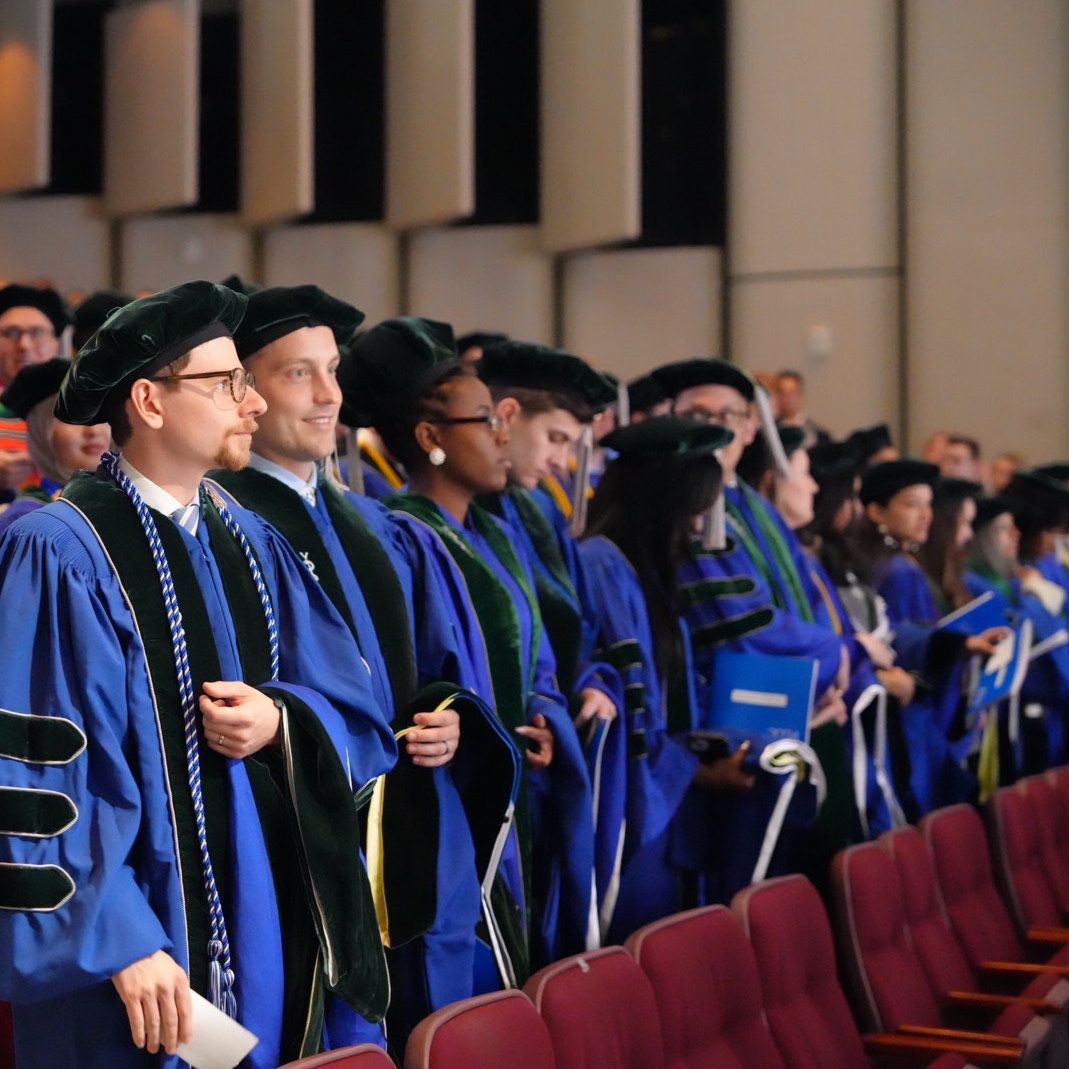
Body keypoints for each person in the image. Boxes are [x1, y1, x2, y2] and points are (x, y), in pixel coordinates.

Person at [0, 281, 397, 1068]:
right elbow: (35, 773)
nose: (249, 405)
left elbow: (356, 704)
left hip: (267, 929)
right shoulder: (61, 552)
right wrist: (121, 938)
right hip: (133, 962)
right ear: (148, 400)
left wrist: (280, 720)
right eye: (225, 383)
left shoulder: (249, 541)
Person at [214, 285, 520, 1048]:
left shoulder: (368, 521)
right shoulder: (228, 523)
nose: (328, 397)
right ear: (243, 392)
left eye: (332, 372)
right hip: (309, 839)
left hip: (408, 827)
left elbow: (423, 668)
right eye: (298, 375)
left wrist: (447, 718)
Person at [341, 316, 596, 975]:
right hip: (457, 805)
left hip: (514, 792)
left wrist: (542, 707)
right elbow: (414, 682)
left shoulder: (491, 530)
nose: (502, 434)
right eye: (485, 420)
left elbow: (531, 642)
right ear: (430, 437)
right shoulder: (398, 535)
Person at [580, 416, 760, 934]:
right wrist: (700, 771)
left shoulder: (652, 574)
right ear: (663, 503)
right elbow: (633, 728)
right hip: (640, 819)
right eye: (696, 509)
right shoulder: (604, 565)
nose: (704, 525)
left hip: (673, 799)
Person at [855, 459, 1006, 812]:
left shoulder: (898, 564)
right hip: (913, 714)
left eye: (927, 505)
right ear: (876, 511)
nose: (926, 515)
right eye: (911, 505)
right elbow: (905, 644)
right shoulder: (898, 571)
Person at [0, 358, 110, 534]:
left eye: (101, 414)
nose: (94, 431)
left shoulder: (125, 500)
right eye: (74, 418)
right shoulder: (25, 519)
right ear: (41, 432)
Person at [0, 284, 70, 498]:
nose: (24, 345)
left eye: (37, 333)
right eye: (11, 333)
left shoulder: (84, 410)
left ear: (57, 342)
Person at [773, 369, 830, 448]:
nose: (786, 398)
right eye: (781, 392)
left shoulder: (819, 436)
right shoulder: (765, 432)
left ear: (801, 396)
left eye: (791, 393)